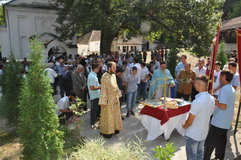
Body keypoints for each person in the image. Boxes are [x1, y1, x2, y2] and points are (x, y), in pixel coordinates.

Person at [204, 70, 235, 160]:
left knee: (209, 144)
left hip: (218, 122)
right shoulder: (231, 88)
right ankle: (219, 157)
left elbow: (223, 106)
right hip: (225, 122)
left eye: (221, 76)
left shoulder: (225, 89)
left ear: (224, 77)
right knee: (221, 143)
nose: (220, 78)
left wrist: (214, 100)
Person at [183, 75, 215, 160]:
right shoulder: (212, 99)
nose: (194, 85)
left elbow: (189, 122)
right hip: (203, 133)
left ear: (199, 84)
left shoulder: (197, 102)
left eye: (195, 83)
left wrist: (183, 125)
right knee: (200, 156)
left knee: (192, 157)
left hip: (193, 134)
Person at [99, 61, 123, 138]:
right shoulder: (104, 77)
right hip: (108, 100)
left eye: (115, 67)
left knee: (115, 115)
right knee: (108, 116)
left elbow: (115, 86)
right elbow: (103, 90)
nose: (115, 69)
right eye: (114, 67)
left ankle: (115, 129)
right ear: (109, 68)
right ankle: (107, 132)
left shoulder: (113, 75)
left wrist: (119, 94)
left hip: (115, 99)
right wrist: (103, 101)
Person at [87, 63, 101, 129]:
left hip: (96, 95)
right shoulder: (92, 76)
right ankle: (93, 123)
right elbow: (92, 87)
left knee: (95, 109)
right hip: (94, 95)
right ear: (96, 68)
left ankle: (94, 121)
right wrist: (100, 86)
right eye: (98, 68)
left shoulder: (93, 75)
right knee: (94, 110)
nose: (99, 69)